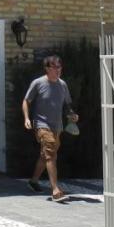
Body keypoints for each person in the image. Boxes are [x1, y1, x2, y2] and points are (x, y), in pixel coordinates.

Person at [22, 54, 79, 201]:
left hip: (57, 127)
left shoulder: (63, 85)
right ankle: (55, 190)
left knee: (46, 154)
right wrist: (27, 118)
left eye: (60, 67)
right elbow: (26, 101)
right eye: (55, 67)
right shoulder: (38, 83)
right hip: (41, 125)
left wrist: (72, 115)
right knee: (51, 153)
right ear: (47, 68)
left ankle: (33, 181)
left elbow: (67, 105)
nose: (58, 70)